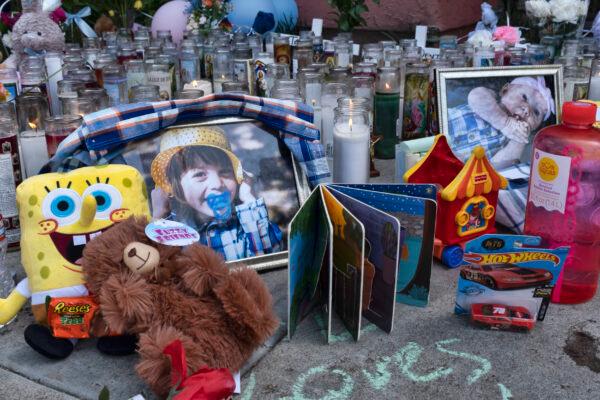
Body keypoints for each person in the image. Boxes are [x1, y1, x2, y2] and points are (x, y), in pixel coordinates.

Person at [151, 126, 283, 261]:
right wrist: (159, 214)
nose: (217, 184)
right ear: (176, 188)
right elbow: (156, 267)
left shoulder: (246, 221)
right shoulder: (175, 230)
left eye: (225, 172)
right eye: (200, 174)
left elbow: (270, 257)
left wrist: (249, 199)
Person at [447, 76, 555, 166]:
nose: (527, 110)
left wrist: (519, 141)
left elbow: (498, 168)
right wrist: (505, 122)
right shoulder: (490, 98)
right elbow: (475, 96)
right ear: (504, 90)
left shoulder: (508, 142)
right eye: (524, 97)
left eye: (536, 112)